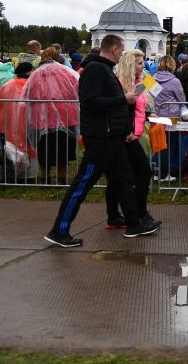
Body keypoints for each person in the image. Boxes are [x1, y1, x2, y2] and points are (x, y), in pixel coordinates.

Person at [45, 35, 160, 247]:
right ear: (114, 48)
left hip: (112, 136)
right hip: (100, 138)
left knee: (124, 180)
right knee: (82, 183)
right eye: (121, 48)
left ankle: (134, 223)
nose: (121, 52)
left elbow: (113, 106)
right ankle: (59, 230)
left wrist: (124, 127)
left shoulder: (103, 69)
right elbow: (90, 102)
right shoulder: (96, 70)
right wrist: (123, 100)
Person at [104, 49, 156, 229]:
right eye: (140, 63)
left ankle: (115, 216)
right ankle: (139, 214)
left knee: (120, 177)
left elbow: (139, 108)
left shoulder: (138, 83)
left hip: (132, 132)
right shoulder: (121, 84)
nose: (144, 66)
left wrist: (150, 114)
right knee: (142, 173)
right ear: (129, 64)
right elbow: (123, 110)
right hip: (127, 135)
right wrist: (128, 130)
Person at [23, 47, 80, 184]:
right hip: (66, 116)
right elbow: (78, 88)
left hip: (41, 118)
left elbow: (27, 95)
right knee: (63, 151)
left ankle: (45, 178)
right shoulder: (66, 72)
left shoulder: (35, 74)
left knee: (44, 151)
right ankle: (62, 179)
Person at [151, 55, 187, 180]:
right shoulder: (174, 81)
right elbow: (181, 99)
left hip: (156, 116)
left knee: (158, 145)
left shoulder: (150, 80)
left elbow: (152, 96)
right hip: (172, 117)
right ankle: (164, 174)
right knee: (169, 146)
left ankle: (156, 172)